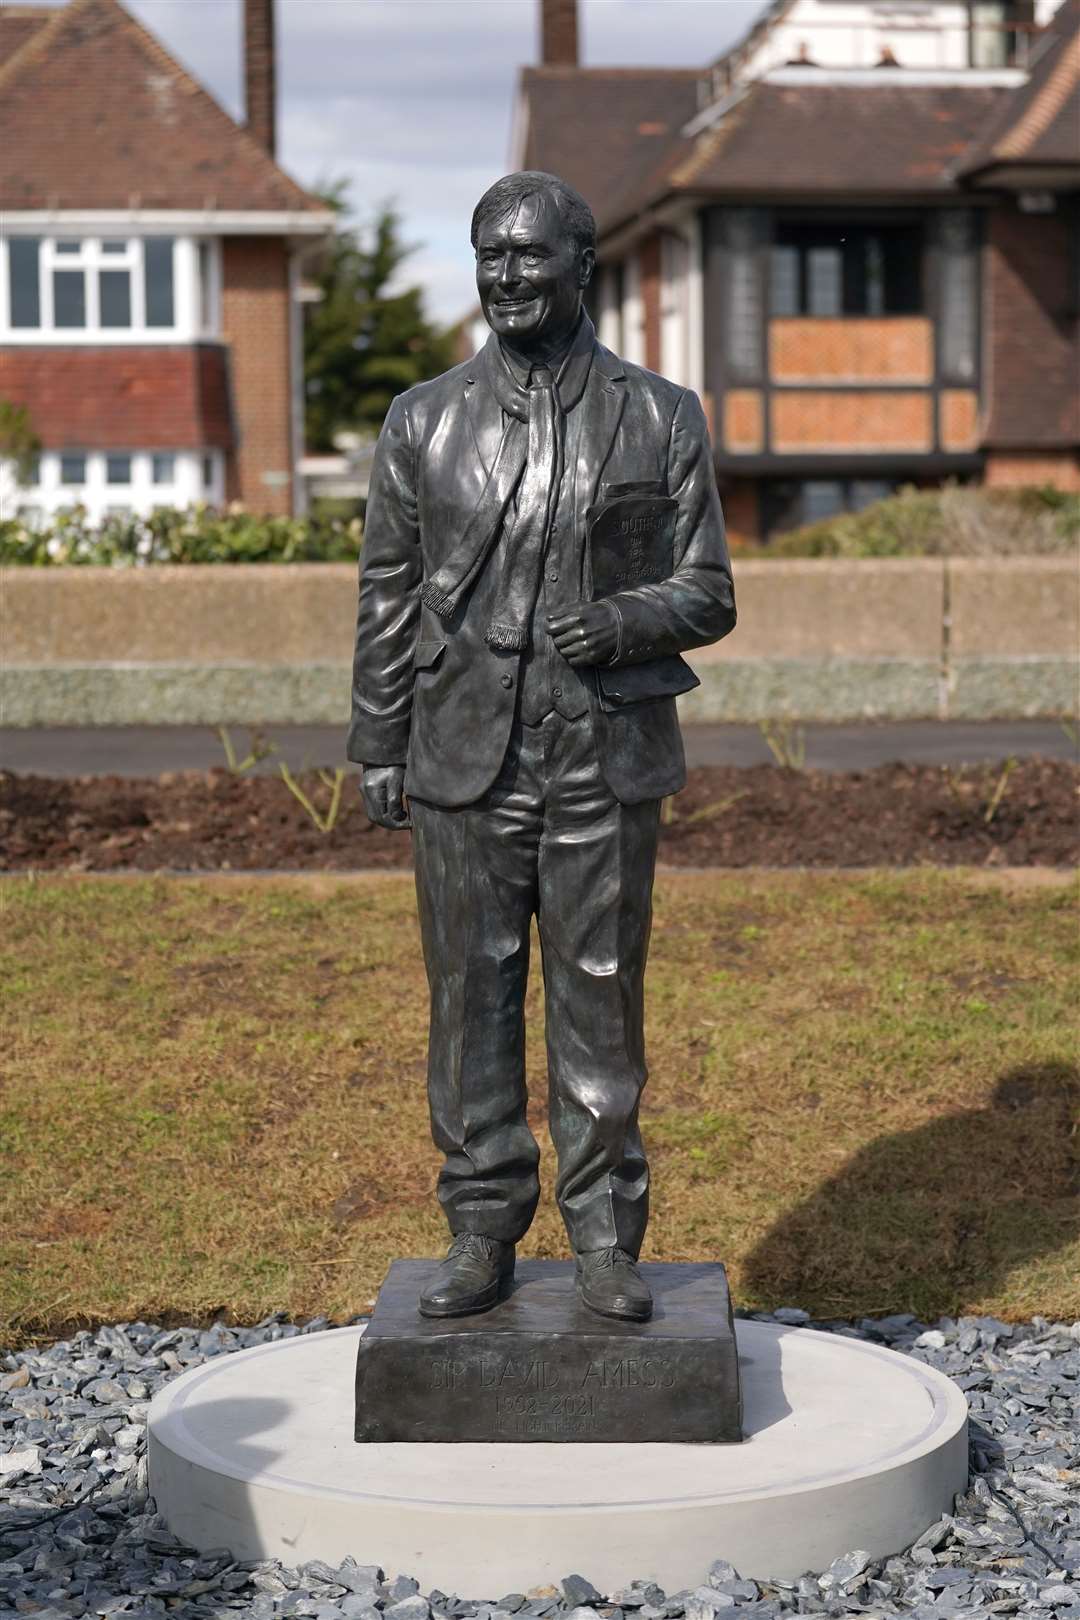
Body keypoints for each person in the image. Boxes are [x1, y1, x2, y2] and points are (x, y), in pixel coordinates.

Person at [348, 171, 735, 1323]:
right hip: (462, 754)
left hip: (601, 758)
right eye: (490, 257)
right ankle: (479, 1228)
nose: (508, 277)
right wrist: (380, 739)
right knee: (469, 996)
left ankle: (609, 1237)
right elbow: (388, 589)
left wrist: (622, 621)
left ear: (583, 268)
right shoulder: (424, 417)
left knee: (601, 1000)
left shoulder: (660, 415)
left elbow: (707, 589)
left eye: (529, 256)